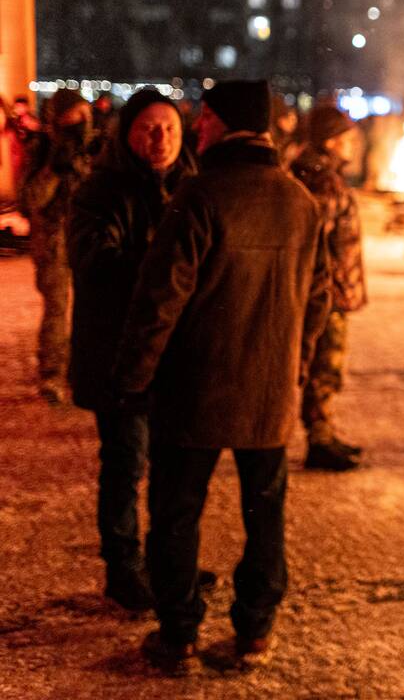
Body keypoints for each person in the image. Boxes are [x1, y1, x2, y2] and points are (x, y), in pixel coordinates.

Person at [112, 80, 330, 672]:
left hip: (195, 389)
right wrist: (296, 366)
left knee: (177, 512)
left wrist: (132, 377)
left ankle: (178, 632)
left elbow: (160, 300)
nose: (195, 128)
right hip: (268, 392)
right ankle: (254, 630)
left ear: (218, 121)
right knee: (265, 514)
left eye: (201, 118)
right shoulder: (299, 201)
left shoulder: (199, 196)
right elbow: (319, 298)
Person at [67, 90, 198, 611]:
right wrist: (164, 265)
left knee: (174, 463)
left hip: (175, 356)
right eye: (148, 127)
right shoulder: (101, 191)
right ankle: (123, 568)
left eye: (169, 127)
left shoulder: (193, 187)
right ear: (127, 134)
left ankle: (168, 563)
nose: (159, 138)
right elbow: (92, 260)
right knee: (126, 463)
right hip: (117, 356)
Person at [290, 106, 368, 471]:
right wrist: (329, 288)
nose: (354, 145)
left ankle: (324, 432)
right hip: (327, 295)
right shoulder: (321, 181)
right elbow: (315, 244)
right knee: (325, 365)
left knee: (325, 365)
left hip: (330, 290)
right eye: (348, 138)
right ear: (332, 141)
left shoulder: (320, 175)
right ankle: (319, 438)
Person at [18, 89, 99, 403]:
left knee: (91, 309)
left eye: (83, 114)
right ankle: (53, 374)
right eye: (73, 115)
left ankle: (83, 371)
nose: (80, 121)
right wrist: (53, 169)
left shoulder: (95, 148)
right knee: (57, 311)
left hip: (89, 238)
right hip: (54, 242)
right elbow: (30, 200)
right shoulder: (41, 149)